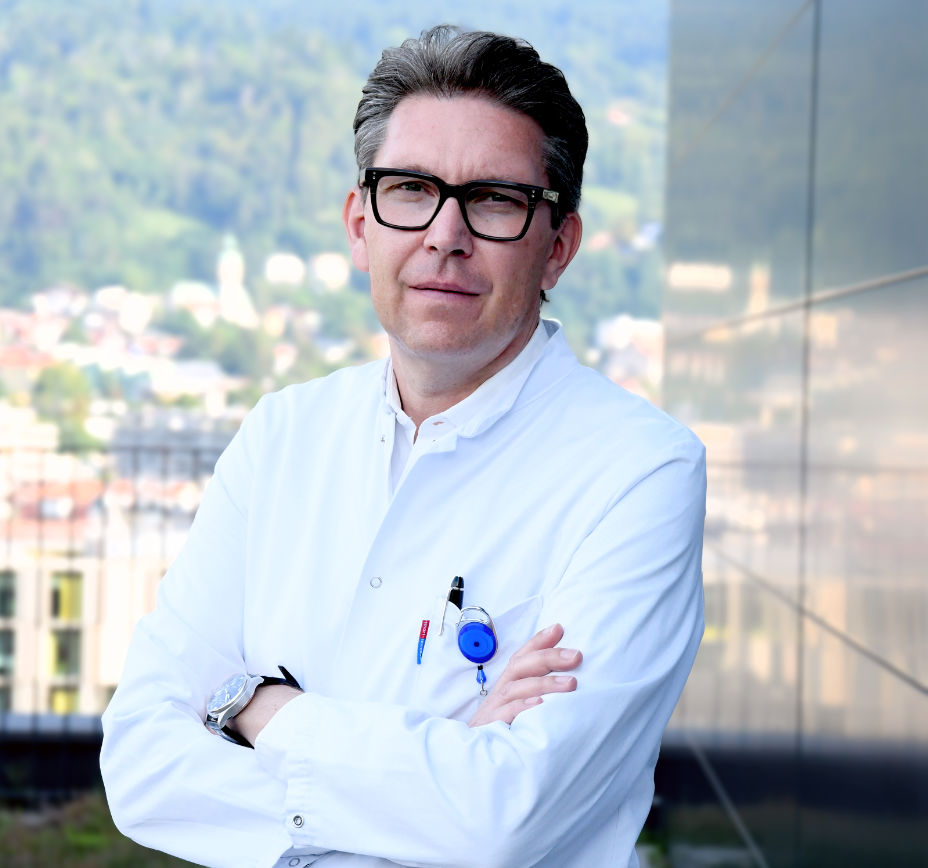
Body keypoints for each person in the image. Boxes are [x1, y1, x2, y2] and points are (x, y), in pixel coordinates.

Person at [102, 24, 705, 868]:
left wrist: (260, 710)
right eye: (412, 189)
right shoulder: (283, 435)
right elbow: (140, 765)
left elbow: (507, 818)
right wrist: (446, 763)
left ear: (558, 248)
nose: (444, 234)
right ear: (361, 225)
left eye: (494, 200)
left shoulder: (639, 471)